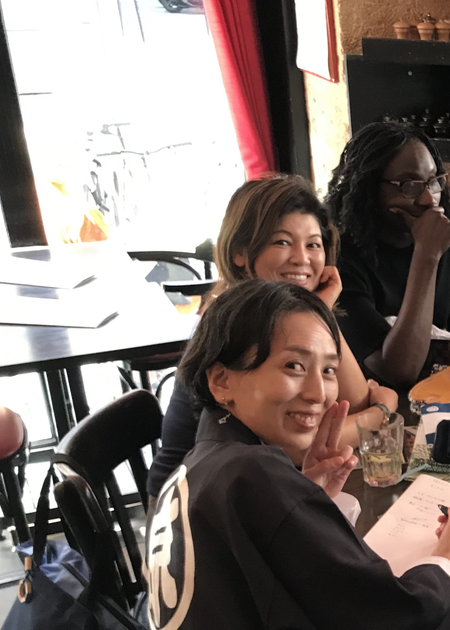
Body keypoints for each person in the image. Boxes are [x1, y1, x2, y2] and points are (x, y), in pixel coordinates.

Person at [144, 280, 450, 629]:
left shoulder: (200, 464)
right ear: (222, 381)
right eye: (294, 366)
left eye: (328, 370)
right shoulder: (252, 472)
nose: (319, 394)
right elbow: (398, 616)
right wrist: (447, 557)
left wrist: (306, 499)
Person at [147, 175, 398, 497]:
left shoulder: (284, 316)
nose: (301, 258)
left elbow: (351, 404)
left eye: (313, 244)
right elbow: (299, 445)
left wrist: (319, 311)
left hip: (239, 487)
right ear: (239, 253)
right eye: (282, 242)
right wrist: (382, 412)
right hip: (189, 505)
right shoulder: (235, 321)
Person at [326, 122, 450, 394]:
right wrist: (427, 254)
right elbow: (398, 372)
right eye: (410, 185)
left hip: (438, 394)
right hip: (370, 402)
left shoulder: (446, 227)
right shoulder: (339, 255)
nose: (429, 199)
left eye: (433, 181)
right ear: (370, 188)